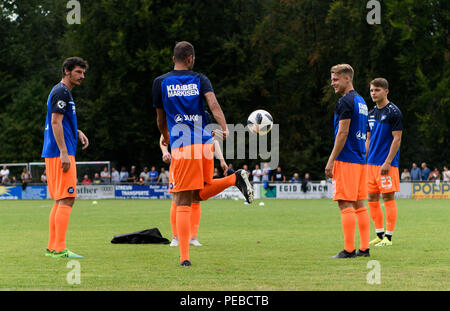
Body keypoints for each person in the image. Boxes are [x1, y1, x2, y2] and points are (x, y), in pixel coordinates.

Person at [153, 41, 253, 266]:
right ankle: (234, 178)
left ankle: (184, 257)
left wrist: (166, 138)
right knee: (199, 194)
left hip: (183, 146)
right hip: (206, 144)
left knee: (181, 199)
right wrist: (225, 128)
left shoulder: (160, 82)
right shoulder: (200, 79)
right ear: (190, 59)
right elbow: (214, 104)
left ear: (174, 59)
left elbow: (160, 119)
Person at [41, 56, 89, 258]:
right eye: (78, 72)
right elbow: (55, 122)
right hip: (60, 152)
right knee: (68, 198)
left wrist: (77, 131)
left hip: (55, 151)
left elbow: (61, 121)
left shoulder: (61, 91)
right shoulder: (62, 91)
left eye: (83, 72)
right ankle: (59, 248)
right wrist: (63, 153)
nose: (82, 76)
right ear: (66, 71)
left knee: (60, 199)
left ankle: (53, 247)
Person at [325, 64, 370, 258]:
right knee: (360, 205)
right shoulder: (361, 101)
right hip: (360, 159)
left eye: (336, 79)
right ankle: (364, 248)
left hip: (346, 158)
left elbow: (342, 132)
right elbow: (367, 133)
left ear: (347, 79)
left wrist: (330, 160)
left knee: (345, 204)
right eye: (332, 79)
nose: (332, 83)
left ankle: (349, 250)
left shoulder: (345, 102)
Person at [366, 78, 403, 247]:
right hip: (370, 164)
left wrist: (388, 162)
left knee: (388, 197)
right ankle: (379, 234)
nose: (373, 93)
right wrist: (364, 158)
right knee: (371, 197)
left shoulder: (394, 112)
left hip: (386, 164)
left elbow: (397, 139)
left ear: (386, 91)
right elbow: (368, 138)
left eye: (377, 90)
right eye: (372, 90)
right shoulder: (371, 113)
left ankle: (389, 237)